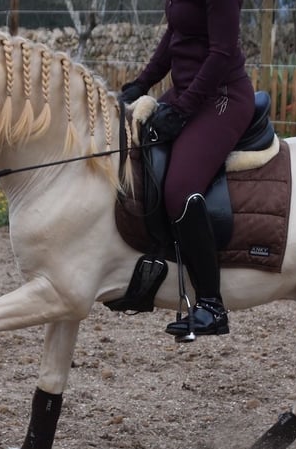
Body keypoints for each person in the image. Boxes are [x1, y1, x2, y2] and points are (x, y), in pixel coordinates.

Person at [119, 0, 255, 339]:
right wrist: (141, 84)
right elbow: (174, 37)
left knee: (180, 188)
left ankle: (211, 304)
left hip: (222, 98)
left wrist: (182, 109)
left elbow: (221, 53)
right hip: (186, 92)